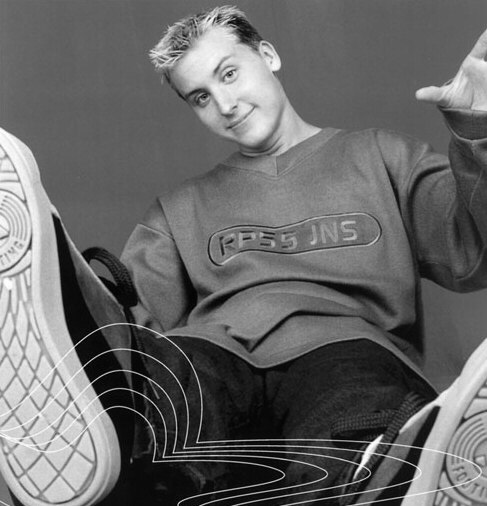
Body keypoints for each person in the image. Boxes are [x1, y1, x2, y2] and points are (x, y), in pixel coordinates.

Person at [0, 4, 487, 506]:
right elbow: (131, 327)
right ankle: (83, 448)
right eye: (201, 97)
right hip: (214, 357)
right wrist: (57, 276)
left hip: (345, 351)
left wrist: (478, 133)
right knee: (169, 388)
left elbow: (472, 249)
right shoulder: (179, 208)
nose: (225, 104)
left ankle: (385, 473)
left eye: (229, 74)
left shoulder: (382, 157)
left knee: (349, 415)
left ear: (268, 55)